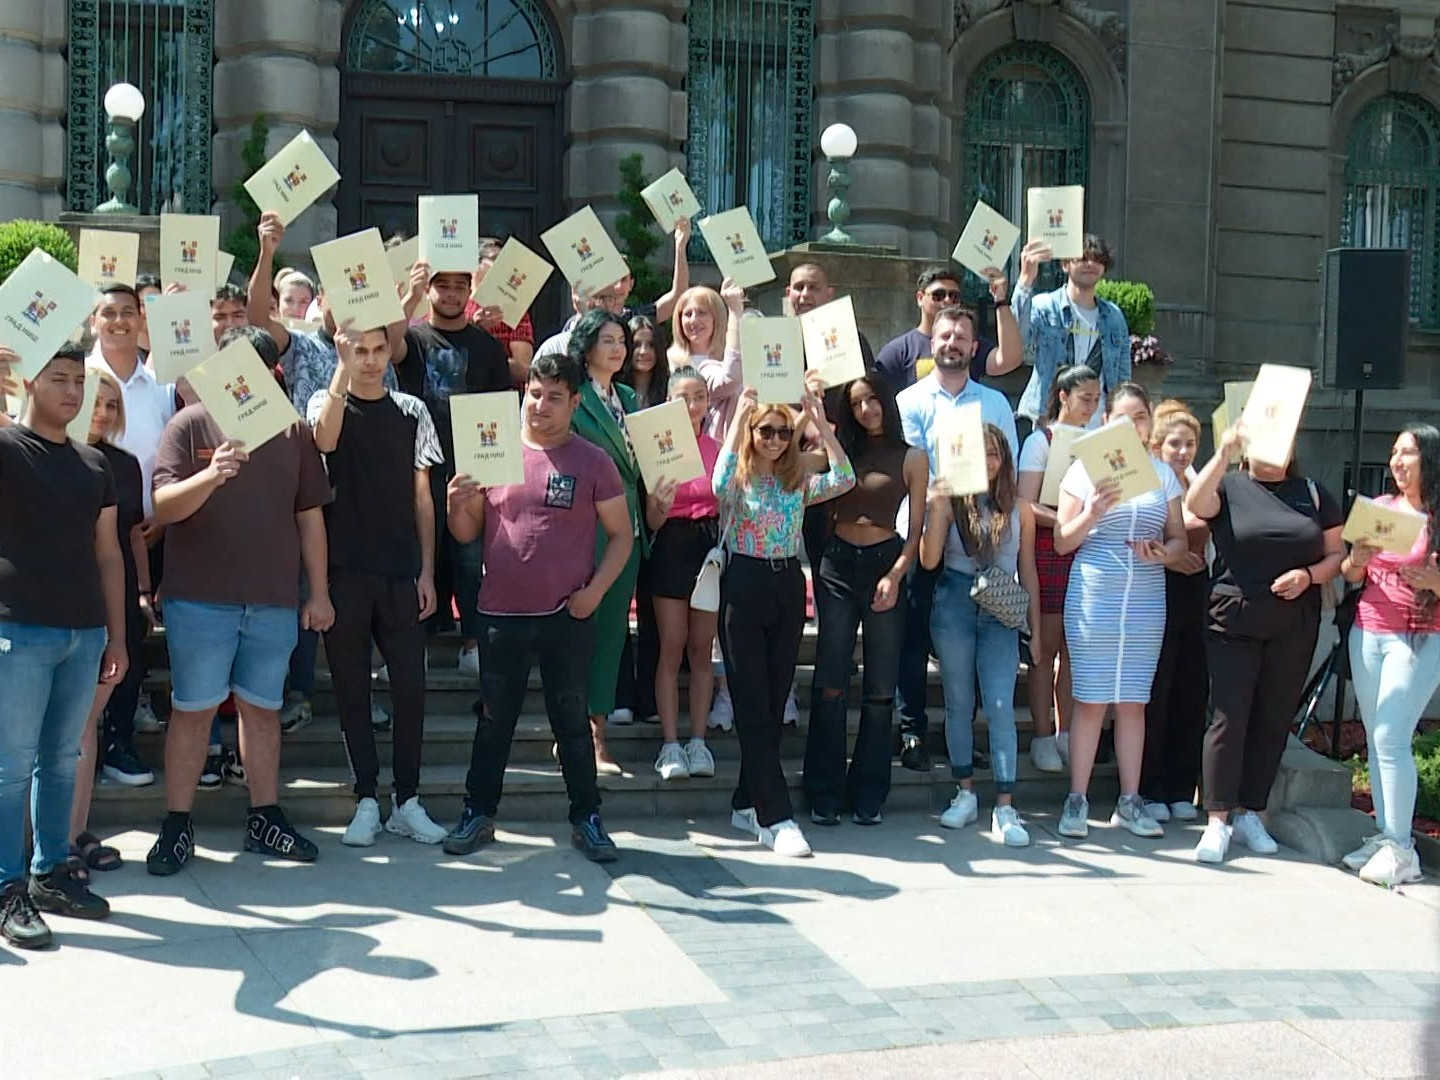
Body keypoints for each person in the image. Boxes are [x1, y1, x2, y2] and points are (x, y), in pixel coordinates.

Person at [143, 325, 335, 876]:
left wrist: (319, 592)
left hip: (272, 599)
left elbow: (310, 517)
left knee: (263, 712)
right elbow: (163, 506)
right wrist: (211, 474)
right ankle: (177, 824)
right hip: (200, 599)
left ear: (272, 371)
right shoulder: (189, 424)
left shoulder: (292, 430)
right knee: (192, 712)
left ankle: (264, 817)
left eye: (259, 364)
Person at [441, 352, 633, 862]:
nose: (540, 406)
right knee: (493, 722)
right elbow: (467, 532)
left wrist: (595, 592)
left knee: (571, 722)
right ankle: (477, 813)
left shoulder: (593, 460)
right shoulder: (493, 449)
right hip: (499, 614)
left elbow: (622, 535)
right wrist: (457, 503)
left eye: (554, 398)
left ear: (575, 403)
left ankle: (587, 817)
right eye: (534, 394)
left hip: (565, 616)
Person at [248, 213, 401, 732]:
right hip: (306, 490)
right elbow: (256, 320)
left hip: (367, 497)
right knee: (306, 590)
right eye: (341, 295)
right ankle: (299, 692)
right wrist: (267, 253)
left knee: (364, 597)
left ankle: (364, 693)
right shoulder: (303, 344)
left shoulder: (382, 357)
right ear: (324, 302)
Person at [0, 345, 128, 948]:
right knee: (9, 767)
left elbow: (109, 553)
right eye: (59, 379)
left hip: (84, 633)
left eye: (80, 380)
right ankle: (7, 887)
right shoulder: (6, 448)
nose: (73, 392)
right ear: (29, 381)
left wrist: (117, 635)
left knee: (60, 761)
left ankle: (51, 872)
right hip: (19, 629)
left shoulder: (93, 463)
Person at [307, 325, 449, 847]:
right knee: (352, 690)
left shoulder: (412, 410)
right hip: (343, 571)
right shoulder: (325, 399)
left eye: (376, 350)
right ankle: (366, 798)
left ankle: (406, 800)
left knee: (411, 687)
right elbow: (323, 441)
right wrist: (340, 367)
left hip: (401, 571)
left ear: (390, 352)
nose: (369, 360)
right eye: (358, 350)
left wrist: (427, 571)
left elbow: (423, 497)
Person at [1184, 419, 1344, 863]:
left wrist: (1308, 576)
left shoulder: (1313, 493)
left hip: (1294, 624)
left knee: (1273, 718)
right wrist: (1223, 453)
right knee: (1228, 718)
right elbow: (1195, 504)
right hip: (1234, 619)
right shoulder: (1230, 486)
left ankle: (1251, 811)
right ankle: (1218, 819)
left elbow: (1336, 554)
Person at [717, 386, 855, 858]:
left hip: (787, 585)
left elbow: (845, 478)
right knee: (752, 701)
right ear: (752, 434)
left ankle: (746, 801)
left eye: (782, 432)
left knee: (774, 701)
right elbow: (717, 484)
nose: (775, 440)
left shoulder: (796, 481)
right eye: (766, 431)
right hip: (744, 583)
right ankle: (775, 816)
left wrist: (817, 418)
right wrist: (739, 417)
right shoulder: (739, 478)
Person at [1053, 382, 1187, 840]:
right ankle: (1077, 798)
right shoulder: (1083, 469)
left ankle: (1130, 801)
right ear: (1107, 421)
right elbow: (1062, 540)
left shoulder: (1161, 473)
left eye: (1141, 417)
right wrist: (1092, 512)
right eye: (1124, 418)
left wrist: (1164, 553)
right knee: (1091, 699)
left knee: (1133, 700)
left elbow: (1179, 539)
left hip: (1146, 595)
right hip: (1096, 590)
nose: (1133, 425)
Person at [895, 305, 1018, 771]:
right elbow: (909, 467)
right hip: (923, 529)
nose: (952, 343)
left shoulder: (995, 403)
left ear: (973, 347)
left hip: (980, 538)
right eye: (945, 336)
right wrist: (942, 498)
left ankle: (965, 739)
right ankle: (912, 731)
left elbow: (1006, 466)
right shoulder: (909, 401)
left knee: (975, 650)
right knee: (913, 638)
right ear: (933, 343)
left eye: (961, 337)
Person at [804, 375, 927, 825]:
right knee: (830, 678)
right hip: (837, 563)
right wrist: (813, 414)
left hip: (884, 563)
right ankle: (824, 790)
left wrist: (895, 576)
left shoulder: (912, 457)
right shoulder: (840, 449)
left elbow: (915, 534)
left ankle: (869, 792)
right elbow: (790, 462)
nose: (866, 410)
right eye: (857, 403)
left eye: (872, 400)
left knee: (880, 686)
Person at [393, 258, 517, 679]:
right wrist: (409, 294)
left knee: (470, 560)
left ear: (470, 291)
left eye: (459, 286)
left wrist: (495, 476)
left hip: (472, 470)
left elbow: (502, 409)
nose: (450, 294)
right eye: (441, 285)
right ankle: (416, 644)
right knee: (417, 558)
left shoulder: (487, 346)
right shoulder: (412, 338)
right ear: (429, 290)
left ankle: (472, 644)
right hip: (418, 468)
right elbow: (387, 346)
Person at [920, 424, 1041, 844]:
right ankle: (965, 792)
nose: (988, 461)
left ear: (1004, 459)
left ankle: (1005, 806)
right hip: (955, 599)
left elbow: (1028, 570)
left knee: (1000, 704)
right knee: (958, 701)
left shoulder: (1019, 508)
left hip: (1000, 605)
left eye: (994, 453)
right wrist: (936, 507)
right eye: (980, 453)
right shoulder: (951, 502)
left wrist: (1034, 630)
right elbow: (929, 560)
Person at [1341, 423, 1440, 886]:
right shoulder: (1381, 508)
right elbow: (1349, 572)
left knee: (1390, 735)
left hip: (1419, 636)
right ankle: (1386, 835)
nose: (1397, 462)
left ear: (1430, 460)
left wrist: (1434, 582)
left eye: (1408, 453)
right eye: (1394, 452)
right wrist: (1357, 559)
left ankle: (1402, 849)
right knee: (1376, 736)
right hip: (1369, 630)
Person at [69, 368, 155, 878]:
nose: (102, 413)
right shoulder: (36, 452)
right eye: (94, 401)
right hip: (51, 601)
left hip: (113, 599)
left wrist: (142, 592)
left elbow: (132, 535)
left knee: (83, 724)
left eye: (111, 405)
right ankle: (45, 842)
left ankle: (73, 834)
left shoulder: (123, 464)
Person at [87, 282, 176, 771]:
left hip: (142, 536)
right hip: (69, 556)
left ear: (142, 320)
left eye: (129, 312)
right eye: (109, 312)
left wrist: (158, 518)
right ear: (93, 321)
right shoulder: (73, 375)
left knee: (130, 649)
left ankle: (118, 741)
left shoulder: (161, 384)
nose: (119, 321)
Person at [569, 310, 646, 773]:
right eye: (608, 341)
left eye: (622, 341)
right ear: (586, 346)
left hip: (630, 528)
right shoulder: (573, 397)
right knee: (584, 630)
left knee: (614, 631)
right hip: (587, 528)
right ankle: (576, 731)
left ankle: (597, 728)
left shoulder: (629, 397)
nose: (618, 349)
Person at [1016, 364, 1102, 773]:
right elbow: (1024, 502)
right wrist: (1071, 519)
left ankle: (1068, 731)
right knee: (1045, 645)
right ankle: (1042, 734)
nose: (1091, 406)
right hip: (1049, 547)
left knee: (1074, 649)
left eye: (1097, 399)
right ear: (1063, 396)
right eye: (1085, 398)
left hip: (1089, 546)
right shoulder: (1041, 441)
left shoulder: (1099, 441)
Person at [645, 367, 721, 780]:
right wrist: (661, 499)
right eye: (682, 397)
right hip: (671, 545)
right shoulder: (658, 449)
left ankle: (699, 742)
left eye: (699, 397)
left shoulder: (718, 448)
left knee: (701, 649)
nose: (691, 406)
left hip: (708, 547)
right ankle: (670, 744)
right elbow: (653, 521)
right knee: (671, 646)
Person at [1139, 402, 1211, 823]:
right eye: (1175, 444)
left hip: (1196, 592)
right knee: (1158, 688)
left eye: (1190, 444)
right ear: (1157, 446)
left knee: (1191, 687)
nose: (1183, 452)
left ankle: (1183, 786)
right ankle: (1151, 787)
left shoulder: (1199, 483)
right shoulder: (1150, 484)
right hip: (1156, 587)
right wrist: (1172, 556)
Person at [1012, 235, 1131, 429]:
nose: (1090, 264)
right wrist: (1025, 281)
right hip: (1048, 418)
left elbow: (1123, 377)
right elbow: (1015, 339)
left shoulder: (1114, 317)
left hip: (1095, 423)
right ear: (1065, 264)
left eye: (1097, 259)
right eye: (1082, 258)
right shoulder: (1046, 306)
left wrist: (1120, 418)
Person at [874, 266, 1020, 394]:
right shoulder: (898, 351)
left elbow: (1009, 360)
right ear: (920, 298)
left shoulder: (966, 343)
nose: (947, 300)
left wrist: (1000, 300)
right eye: (938, 295)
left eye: (954, 296)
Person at [667, 280, 745, 440]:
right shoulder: (668, 361)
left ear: (717, 318)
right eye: (687, 314)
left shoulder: (733, 358)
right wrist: (735, 311)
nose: (693, 320)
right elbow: (730, 379)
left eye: (702, 313)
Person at [468, 238, 535, 381]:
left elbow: (523, 371)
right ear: (474, 265)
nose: (502, 266)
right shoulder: (457, 305)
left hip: (502, 391)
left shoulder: (514, 310)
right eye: (495, 259)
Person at [619, 313, 669, 410]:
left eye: (651, 345)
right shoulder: (614, 391)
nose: (644, 351)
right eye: (637, 345)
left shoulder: (670, 388)